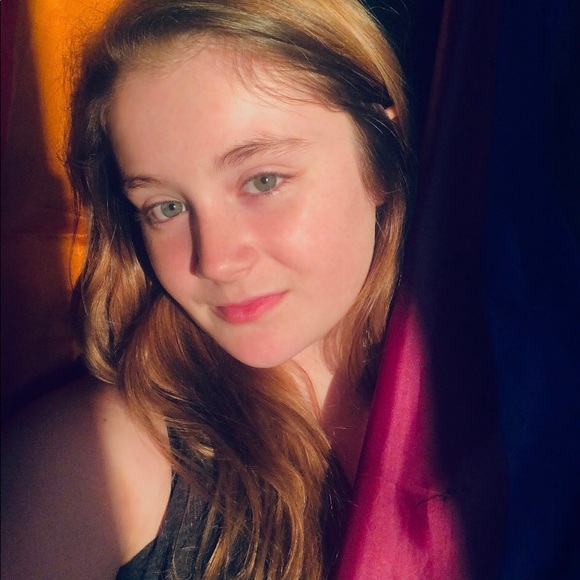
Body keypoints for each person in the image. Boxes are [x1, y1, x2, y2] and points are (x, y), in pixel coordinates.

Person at [1, 0, 410, 577]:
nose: (215, 262)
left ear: (380, 154)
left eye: (262, 180)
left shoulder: (501, 398)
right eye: (165, 207)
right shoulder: (91, 461)